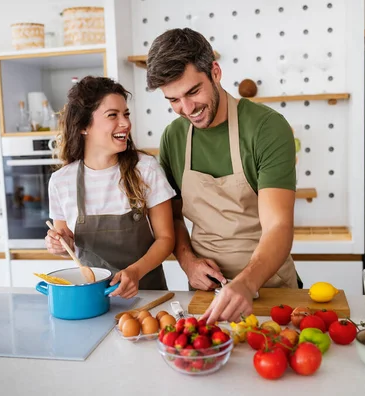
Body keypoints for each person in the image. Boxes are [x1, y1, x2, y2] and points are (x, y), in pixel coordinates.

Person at [146, 28, 300, 323]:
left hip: (269, 290)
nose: (187, 109)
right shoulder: (174, 137)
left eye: (193, 92)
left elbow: (279, 226)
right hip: (205, 294)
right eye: (173, 100)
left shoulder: (267, 128)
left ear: (215, 72)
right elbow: (173, 218)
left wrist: (246, 282)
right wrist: (188, 262)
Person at [45, 76, 176, 299]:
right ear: (84, 125)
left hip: (147, 295)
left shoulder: (145, 169)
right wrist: (61, 244)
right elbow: (68, 243)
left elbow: (166, 239)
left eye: (126, 114)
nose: (125, 123)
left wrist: (135, 272)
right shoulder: (61, 182)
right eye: (113, 115)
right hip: (92, 298)